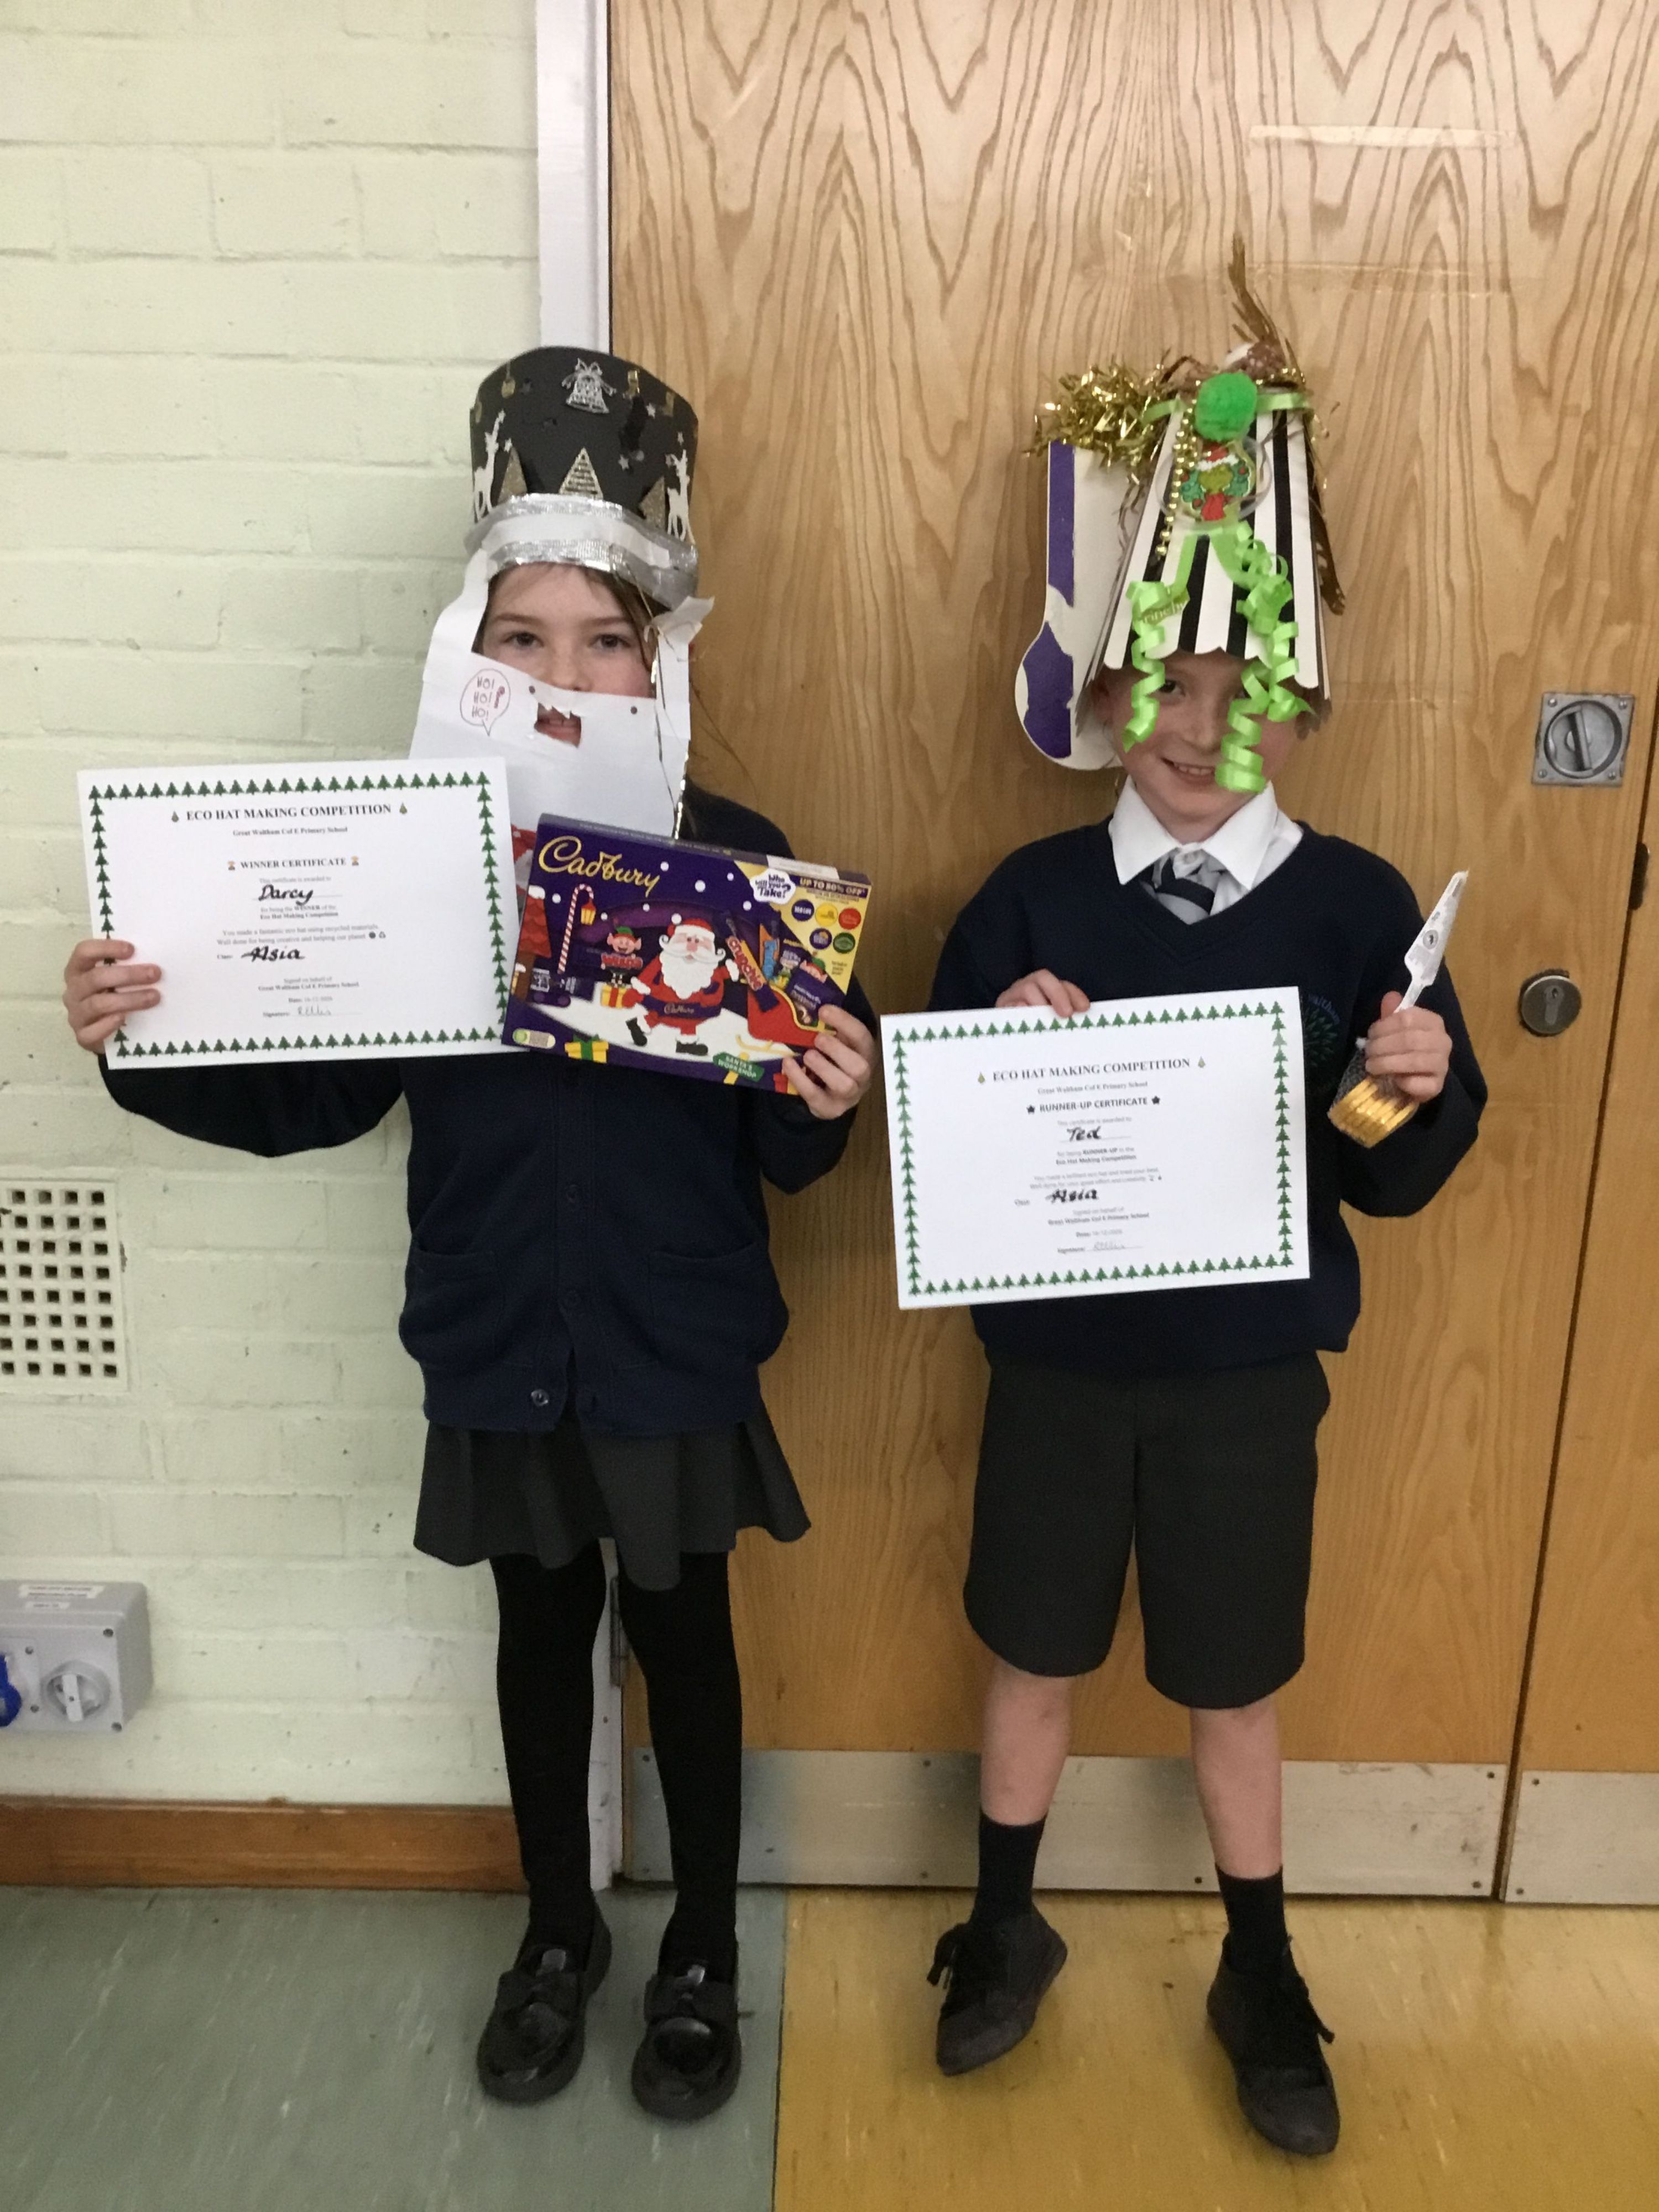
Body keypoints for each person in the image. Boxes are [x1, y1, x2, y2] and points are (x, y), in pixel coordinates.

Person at [62, 347, 877, 2125]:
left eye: (604, 641)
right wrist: (147, 1040)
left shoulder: (735, 862)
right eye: (524, 637)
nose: (564, 676)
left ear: (659, 660)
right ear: (470, 653)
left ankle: (706, 1949)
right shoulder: (408, 860)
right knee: (539, 1628)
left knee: (687, 1637)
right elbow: (322, 1089)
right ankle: (559, 1931)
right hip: (502, 1324)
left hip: (670, 1339)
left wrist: (830, 1091)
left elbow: (790, 1140)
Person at [924, 270, 1485, 2158]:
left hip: (1248, 1381)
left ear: (1297, 711)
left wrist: (1408, 1076)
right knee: (1032, 1650)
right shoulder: (1023, 900)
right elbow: (944, 1172)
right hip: (1060, 1373)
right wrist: (987, 1049)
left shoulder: (1358, 909)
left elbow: (1380, 1168)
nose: (1198, 726)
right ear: (1106, 693)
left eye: (1246, 697)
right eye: (1166, 684)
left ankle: (1259, 1962)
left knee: (1235, 1680)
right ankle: (1006, 1922)